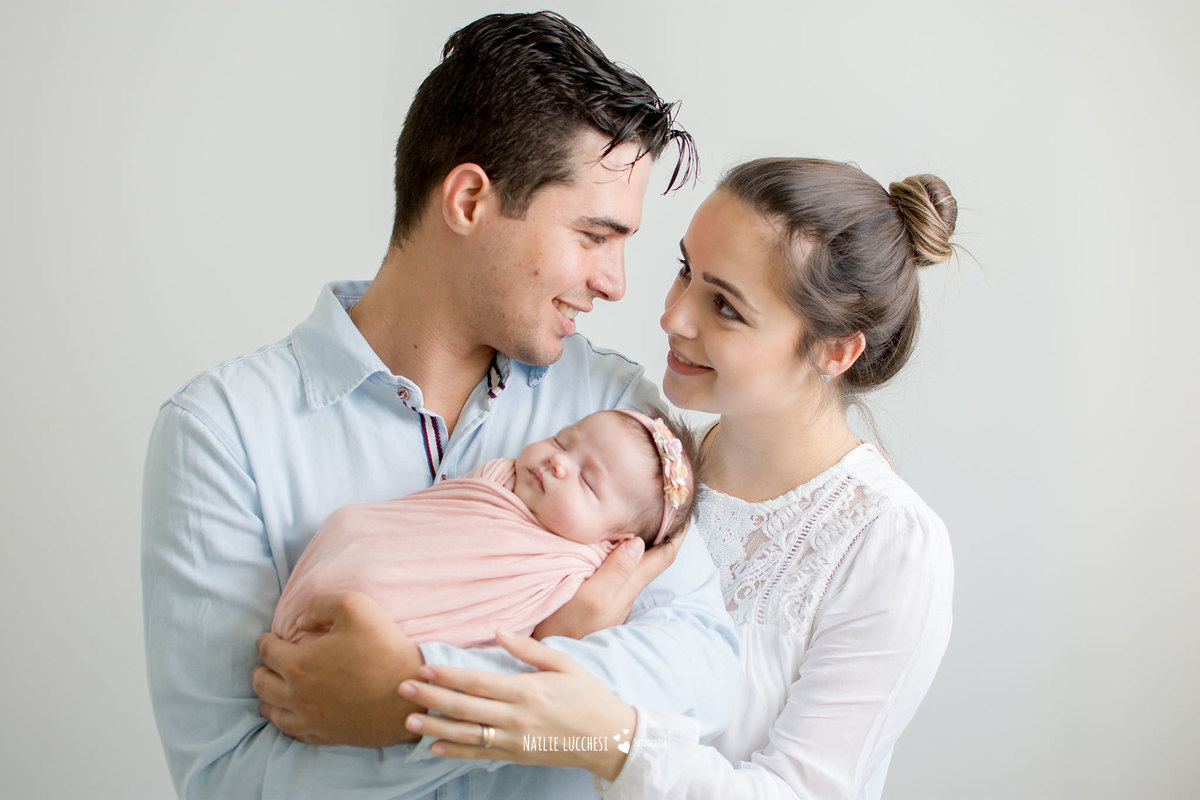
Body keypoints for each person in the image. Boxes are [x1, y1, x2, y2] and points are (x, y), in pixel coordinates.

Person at [141, 11, 738, 800]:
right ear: (467, 201)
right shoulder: (222, 435)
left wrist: (412, 695)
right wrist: (559, 679)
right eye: (594, 235)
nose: (616, 283)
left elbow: (703, 676)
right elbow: (234, 779)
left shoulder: (618, 415)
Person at [399, 157, 958, 799]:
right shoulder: (632, 462)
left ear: (834, 351)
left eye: (724, 306)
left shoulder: (890, 545)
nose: (672, 317)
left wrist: (609, 740)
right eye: (685, 269)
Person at [272, 409, 699, 648]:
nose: (558, 461)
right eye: (562, 440)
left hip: (391, 635)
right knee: (349, 528)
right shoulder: (497, 477)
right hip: (360, 557)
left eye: (587, 481)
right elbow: (430, 525)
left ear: (616, 543)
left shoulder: (576, 572)